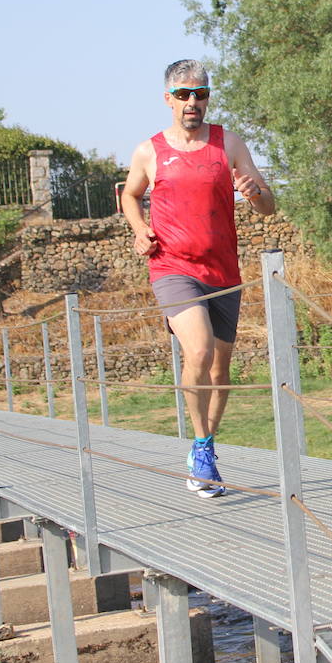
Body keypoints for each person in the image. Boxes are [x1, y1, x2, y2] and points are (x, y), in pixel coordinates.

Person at [120, 59, 275, 497]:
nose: (193, 102)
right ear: (168, 99)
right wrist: (140, 230)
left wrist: (254, 192)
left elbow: (268, 206)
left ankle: (203, 443)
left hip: (223, 270)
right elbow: (130, 196)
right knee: (200, 349)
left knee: (221, 371)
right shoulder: (149, 151)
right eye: (184, 94)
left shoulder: (229, 144)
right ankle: (203, 451)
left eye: (201, 94)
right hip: (172, 267)